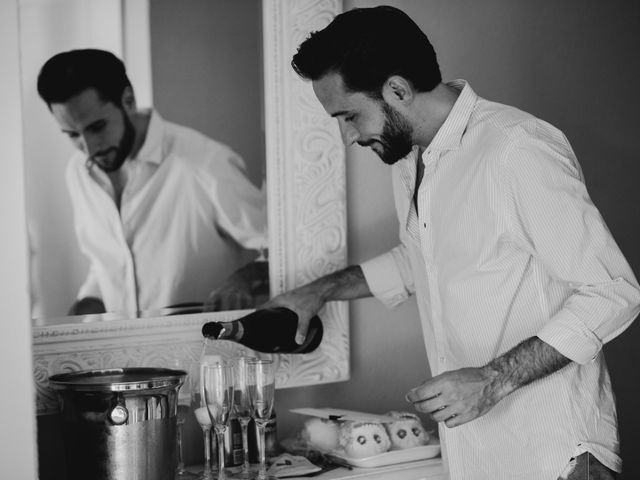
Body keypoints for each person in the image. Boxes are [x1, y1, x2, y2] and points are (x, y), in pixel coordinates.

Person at [263, 6, 640, 480]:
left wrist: (492, 379)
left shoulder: (515, 148)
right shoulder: (410, 161)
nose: (348, 137)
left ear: (397, 90)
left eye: (350, 116)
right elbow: (423, 259)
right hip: (476, 454)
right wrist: (317, 292)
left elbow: (613, 291)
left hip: (555, 453)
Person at [37, 49, 268, 317]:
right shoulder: (77, 173)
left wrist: (242, 281)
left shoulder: (204, 163)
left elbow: (280, 248)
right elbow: (109, 261)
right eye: (72, 135)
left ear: (128, 100)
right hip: (123, 356)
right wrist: (89, 302)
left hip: (204, 354)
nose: (88, 149)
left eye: (97, 127)